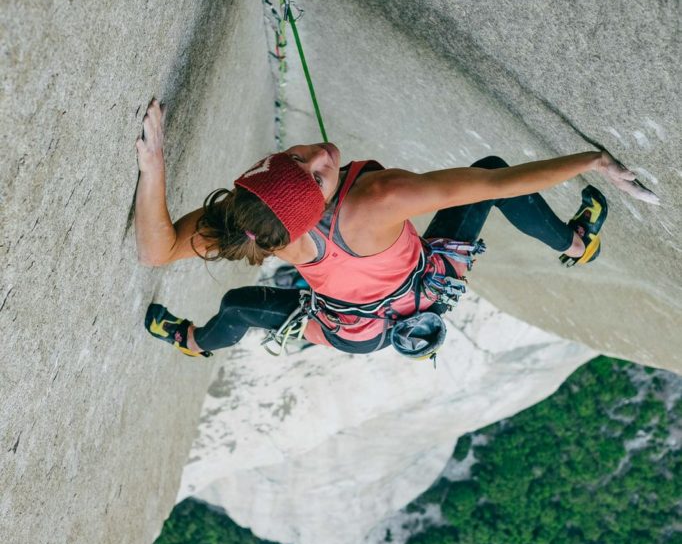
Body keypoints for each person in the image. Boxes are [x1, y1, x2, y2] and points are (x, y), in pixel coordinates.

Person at [135, 98, 658, 359]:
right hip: (394, 305)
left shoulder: (254, 220)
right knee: (494, 169)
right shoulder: (379, 200)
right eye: (319, 177)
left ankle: (199, 342)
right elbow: (498, 184)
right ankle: (577, 244)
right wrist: (593, 162)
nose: (322, 155)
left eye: (298, 159)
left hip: (360, 324)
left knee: (240, 308)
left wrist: (153, 167)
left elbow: (157, 250)